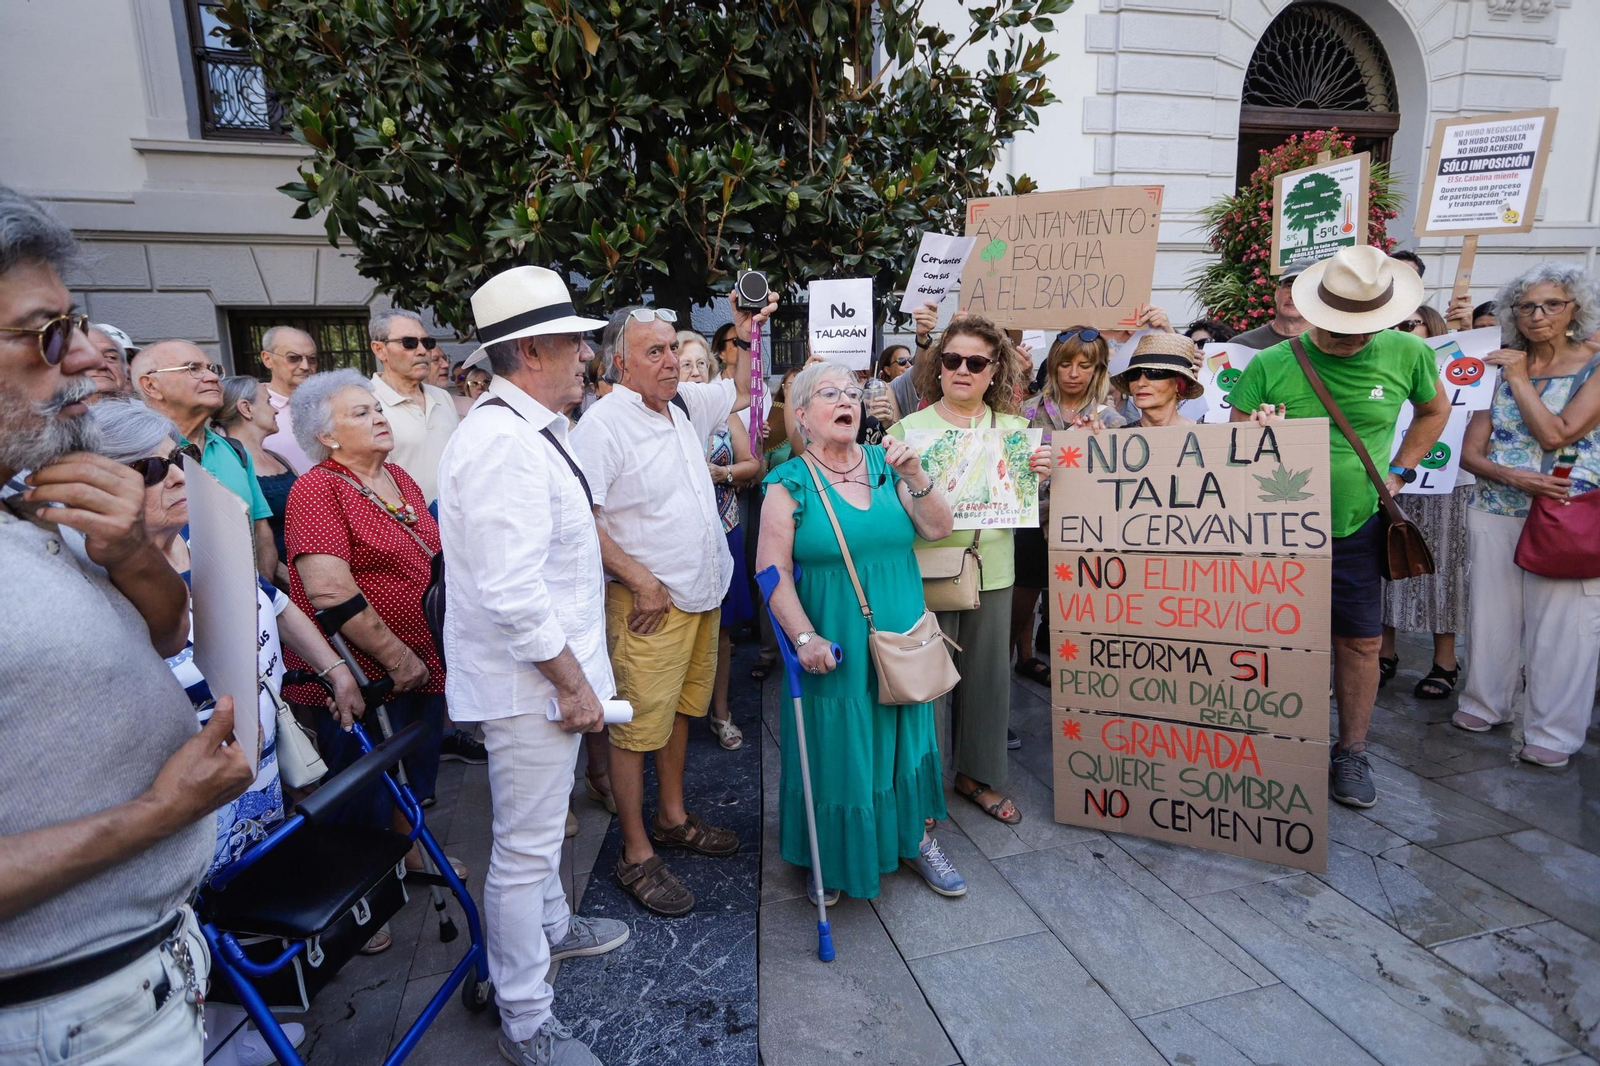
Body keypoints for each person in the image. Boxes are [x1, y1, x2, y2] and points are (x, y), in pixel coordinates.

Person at [0, 183, 251, 1065]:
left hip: (146, 971)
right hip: (57, 1017)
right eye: (43, 334)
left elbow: (163, 638)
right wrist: (156, 815)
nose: (80, 359)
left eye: (74, 325)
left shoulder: (31, 489)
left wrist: (133, 557)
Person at [440, 267, 628, 1066]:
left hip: (541, 681)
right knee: (521, 848)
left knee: (541, 830)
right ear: (533, 350)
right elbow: (513, 592)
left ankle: (556, 926)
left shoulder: (524, 431)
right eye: (577, 341)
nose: (588, 353)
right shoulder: (501, 444)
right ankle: (526, 1018)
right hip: (530, 688)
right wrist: (574, 684)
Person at [570, 290, 775, 917]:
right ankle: (636, 854)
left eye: (672, 349)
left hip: (699, 595)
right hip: (649, 606)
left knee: (679, 714)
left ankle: (673, 818)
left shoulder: (681, 405)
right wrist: (641, 579)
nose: (669, 361)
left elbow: (737, 389)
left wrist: (742, 332)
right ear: (619, 366)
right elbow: (583, 519)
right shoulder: (604, 424)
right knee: (635, 731)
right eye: (653, 352)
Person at [1228, 246, 1451, 808]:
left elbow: (1434, 410)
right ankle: (1274, 742)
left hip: (1358, 527)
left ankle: (1351, 750)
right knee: (1274, 641)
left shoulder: (1409, 352)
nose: (1350, 337)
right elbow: (1232, 438)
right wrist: (1256, 432)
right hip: (1277, 530)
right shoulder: (1271, 363)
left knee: (1360, 643)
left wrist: (1401, 470)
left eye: (1362, 327)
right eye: (1338, 325)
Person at [758, 361, 964, 902]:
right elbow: (771, 573)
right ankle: (830, 855)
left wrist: (917, 475)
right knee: (839, 750)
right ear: (801, 414)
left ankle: (915, 839)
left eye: (852, 391)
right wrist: (804, 639)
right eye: (830, 393)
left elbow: (939, 528)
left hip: (903, 639)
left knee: (906, 740)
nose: (846, 399)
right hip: (838, 644)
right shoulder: (787, 483)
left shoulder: (887, 462)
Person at [888, 315, 1052, 826]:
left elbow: (1039, 507)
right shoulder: (905, 431)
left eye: (976, 362)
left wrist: (1048, 479)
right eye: (953, 359)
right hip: (924, 570)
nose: (963, 369)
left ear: (993, 369)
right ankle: (919, 785)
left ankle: (975, 776)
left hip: (994, 568)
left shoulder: (1019, 433)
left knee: (987, 679)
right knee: (924, 685)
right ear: (938, 368)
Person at [282, 369, 454, 857]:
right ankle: (358, 895)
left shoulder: (397, 477)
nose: (379, 417)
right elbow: (329, 592)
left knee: (414, 771)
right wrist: (398, 659)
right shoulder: (318, 490)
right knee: (363, 788)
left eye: (377, 408)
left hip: (424, 656)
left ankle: (409, 853)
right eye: (361, 413)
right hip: (367, 670)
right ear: (327, 436)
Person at [1456, 263, 1600, 768]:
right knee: (1489, 613)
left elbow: (1557, 434)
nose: (1538, 316)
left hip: (1567, 511)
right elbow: (1470, 454)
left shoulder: (1595, 364)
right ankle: (1484, 701)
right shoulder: (1496, 366)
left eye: (1551, 304)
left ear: (1574, 309)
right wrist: (1514, 477)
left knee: (1564, 625)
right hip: (1496, 504)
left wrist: (1518, 378)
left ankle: (1554, 732)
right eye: (1526, 306)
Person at [1012, 328, 1127, 686]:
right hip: (1031, 522)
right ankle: (1010, 678)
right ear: (1053, 367)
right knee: (1017, 607)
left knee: (1074, 612)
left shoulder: (1111, 421)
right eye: (1065, 364)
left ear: (1098, 369)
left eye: (1084, 364)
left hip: (1084, 529)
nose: (1073, 373)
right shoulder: (1027, 411)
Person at [1377, 306, 1469, 698]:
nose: (1400, 330)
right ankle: (1384, 652)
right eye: (1393, 325)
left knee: (1443, 569)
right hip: (1387, 481)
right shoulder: (1380, 364)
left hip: (1445, 486)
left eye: (1408, 323)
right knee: (1386, 565)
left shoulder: (1466, 365)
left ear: (1432, 328)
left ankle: (1444, 661)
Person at [130, 340, 279, 582]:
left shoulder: (235, 451)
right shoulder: (134, 458)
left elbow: (259, 531)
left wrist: (262, 601)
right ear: (151, 385)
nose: (211, 377)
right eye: (193, 368)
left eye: (212, 369)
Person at [678, 333, 762, 751]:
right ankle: (676, 717)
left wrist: (722, 474)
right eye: (685, 364)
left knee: (722, 631)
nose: (694, 371)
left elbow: (753, 464)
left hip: (724, 528)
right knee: (679, 632)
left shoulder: (723, 413)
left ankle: (721, 711)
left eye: (700, 364)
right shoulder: (666, 414)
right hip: (679, 539)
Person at [367, 309, 460, 505]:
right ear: (379, 349)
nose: (422, 351)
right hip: (405, 527)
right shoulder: (366, 403)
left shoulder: (442, 397)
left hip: (455, 524)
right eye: (409, 343)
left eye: (427, 343)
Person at [216, 375, 299, 587]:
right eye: (269, 402)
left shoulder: (278, 459)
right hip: (275, 584)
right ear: (246, 408)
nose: (276, 410)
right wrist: (293, 584)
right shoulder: (226, 464)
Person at [258, 325, 317, 474]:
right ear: (267, 359)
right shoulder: (252, 408)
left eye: (312, 359)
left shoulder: (328, 402)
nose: (305, 366)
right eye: (293, 358)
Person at [1232, 259, 1314, 349]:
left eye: (1304, 287)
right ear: (1277, 293)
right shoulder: (1241, 346)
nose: (1293, 294)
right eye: (1289, 286)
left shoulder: (1329, 348)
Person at [85, 324, 132, 399]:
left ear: (124, 374)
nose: (102, 365)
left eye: (111, 357)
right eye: (86, 356)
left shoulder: (149, 410)